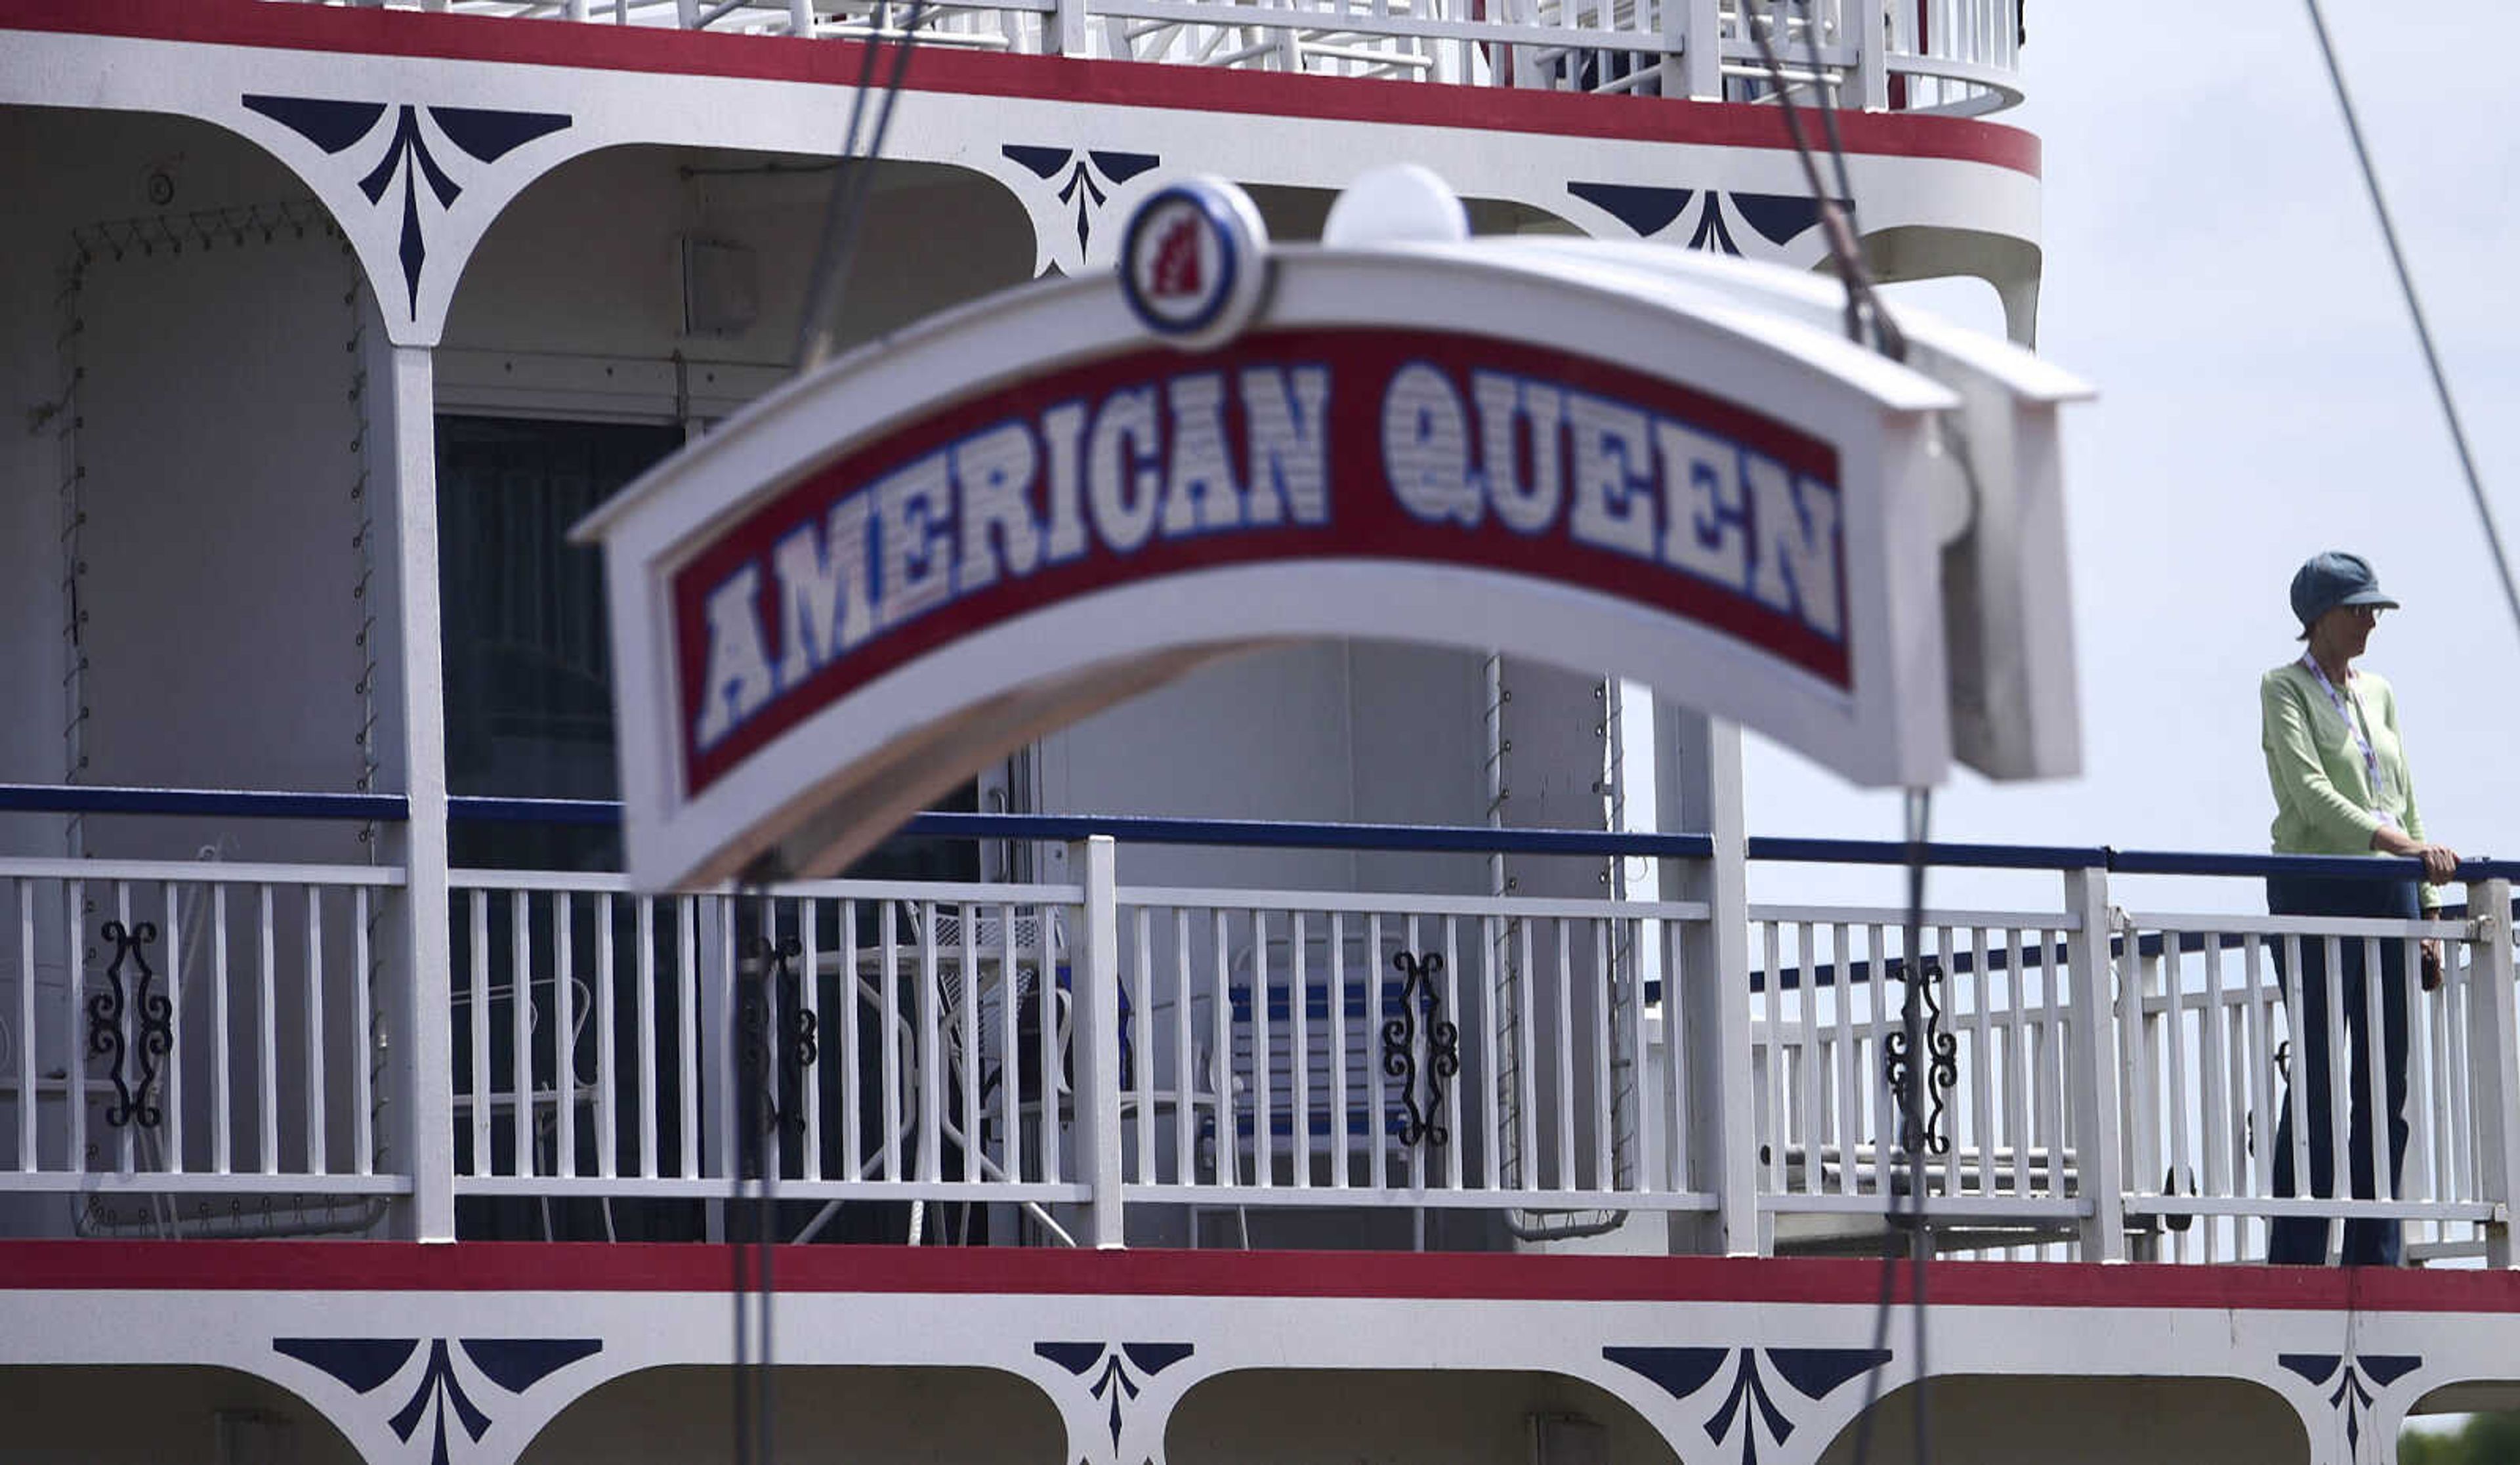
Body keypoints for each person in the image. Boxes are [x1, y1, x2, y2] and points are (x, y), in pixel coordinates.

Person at [2259, 551, 2458, 1266]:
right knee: (2318, 1068)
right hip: (2318, 884)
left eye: (2374, 609)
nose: (2371, 621)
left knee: (2387, 1075)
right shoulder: (2283, 688)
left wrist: (2428, 909)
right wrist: (2399, 844)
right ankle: (2299, 1248)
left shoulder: (2380, 692)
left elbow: (2408, 796)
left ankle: (2377, 1249)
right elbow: (2312, 795)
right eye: (2357, 609)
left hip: (2390, 889)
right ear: (2320, 617)